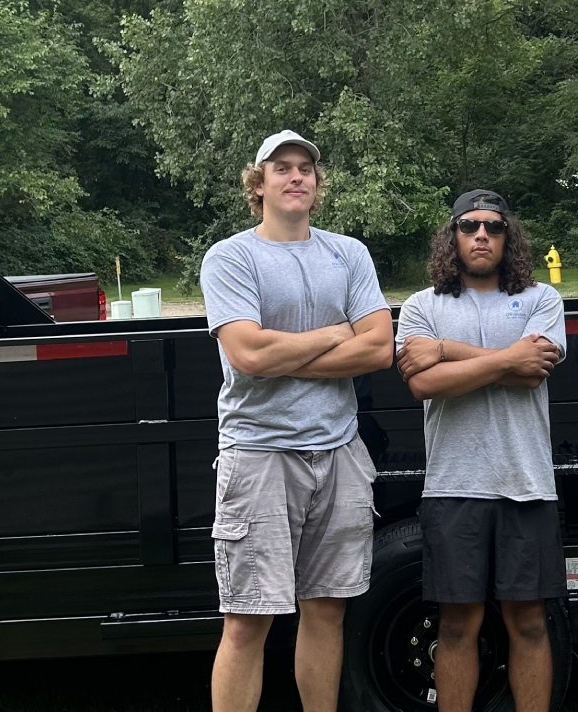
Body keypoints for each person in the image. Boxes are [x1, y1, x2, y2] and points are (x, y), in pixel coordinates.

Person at [201, 130, 393, 712]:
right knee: (247, 620)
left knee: (327, 609)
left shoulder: (348, 253)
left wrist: (288, 353)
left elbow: (380, 348)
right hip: (260, 455)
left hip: (339, 453)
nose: (295, 176)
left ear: (317, 184)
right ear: (257, 184)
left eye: (305, 168)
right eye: (281, 167)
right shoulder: (232, 256)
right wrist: (338, 334)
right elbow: (248, 356)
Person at [395, 189, 566, 712]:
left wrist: (447, 351)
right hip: (453, 487)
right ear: (453, 235)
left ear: (508, 235)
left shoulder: (541, 299)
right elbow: (423, 385)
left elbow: (532, 372)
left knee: (530, 622)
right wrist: (506, 357)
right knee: (457, 624)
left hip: (527, 484)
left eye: (493, 226)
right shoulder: (423, 305)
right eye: (469, 227)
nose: (482, 236)